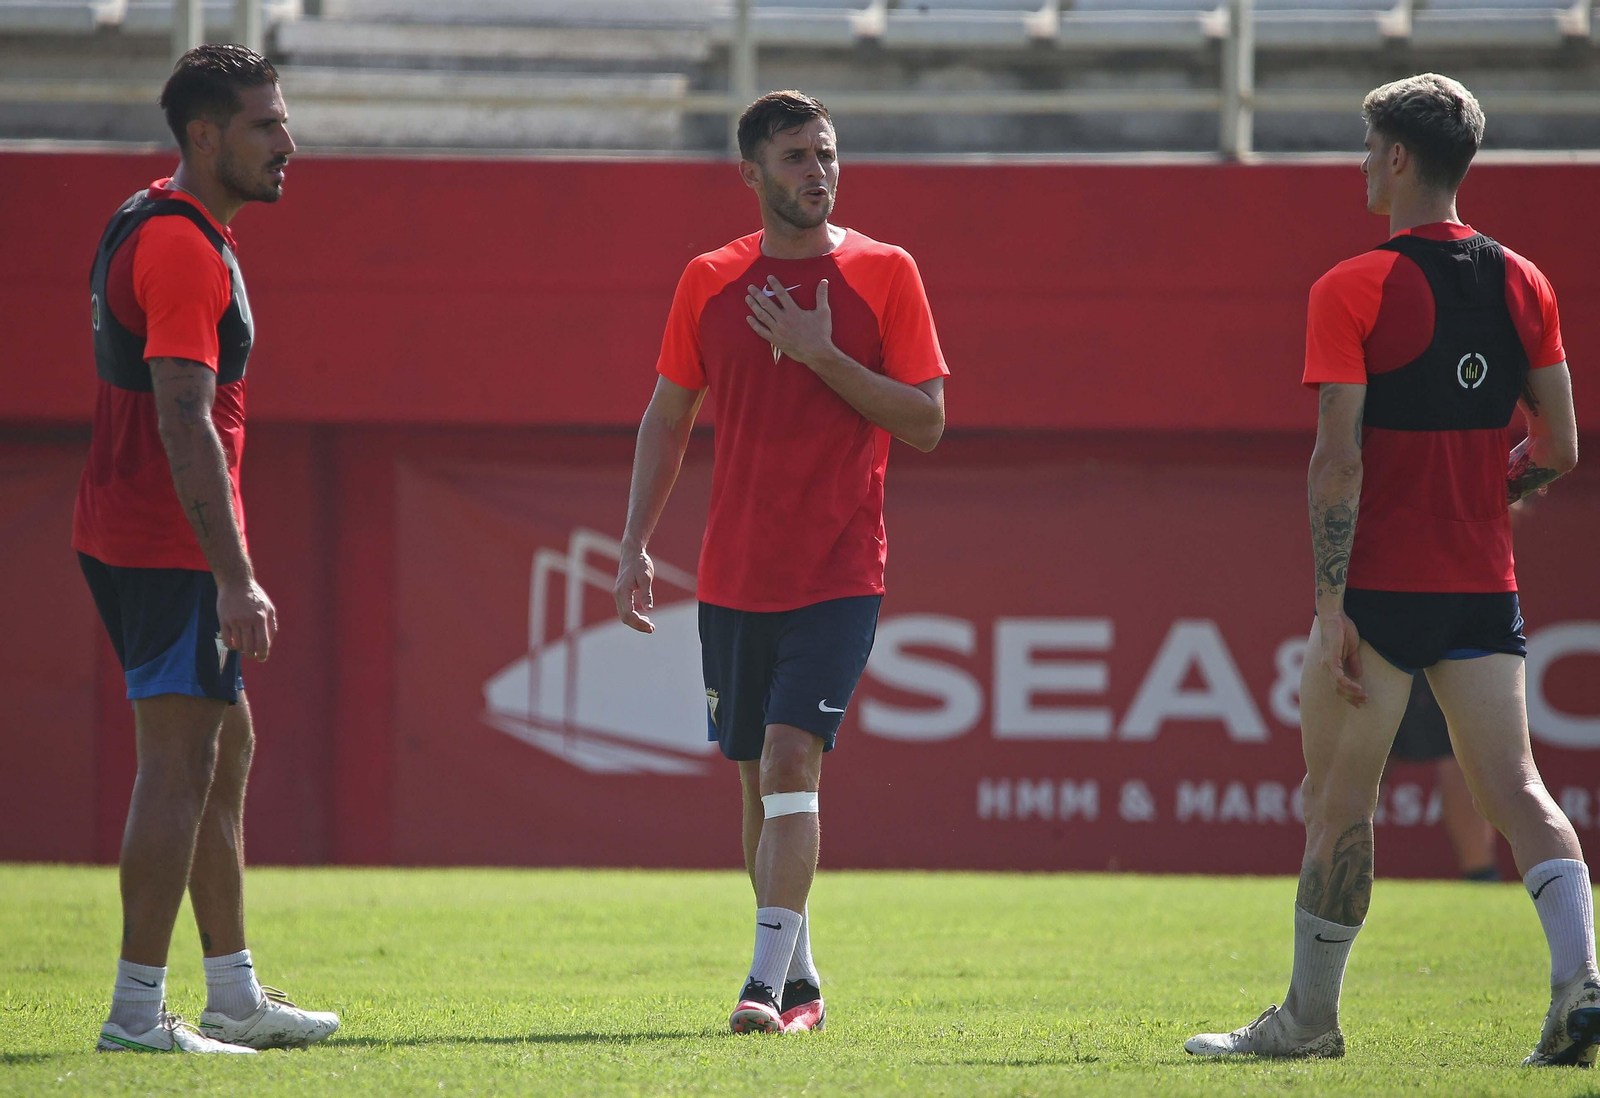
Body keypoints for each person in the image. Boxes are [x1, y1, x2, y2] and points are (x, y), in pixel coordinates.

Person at [1185, 73, 1596, 1065]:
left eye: (1369, 148)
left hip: (1377, 589)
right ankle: (1579, 983)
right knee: (1521, 794)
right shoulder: (1524, 281)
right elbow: (1558, 449)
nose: (1363, 165)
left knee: (1337, 804)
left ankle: (1308, 1021)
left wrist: (1330, 607)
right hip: (1480, 588)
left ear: (1399, 157)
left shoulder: (1352, 285)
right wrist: (1473, 494)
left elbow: (1336, 457)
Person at [612, 90, 948, 1035]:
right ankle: (798, 985)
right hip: (732, 575)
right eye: (797, 157)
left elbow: (925, 422)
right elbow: (668, 416)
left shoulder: (886, 272)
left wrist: (820, 353)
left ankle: (758, 989)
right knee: (759, 778)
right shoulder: (709, 281)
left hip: (841, 571)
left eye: (828, 154)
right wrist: (635, 542)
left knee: (794, 756)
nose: (819, 173)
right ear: (752, 173)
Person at [76, 44, 339, 1053]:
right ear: (204, 136)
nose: (288, 143)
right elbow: (182, 422)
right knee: (179, 767)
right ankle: (138, 1013)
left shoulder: (151, 213)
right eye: (265, 126)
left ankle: (233, 993)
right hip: (167, 545)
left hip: (133, 531)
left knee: (223, 754)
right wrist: (232, 577)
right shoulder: (183, 246)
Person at [1386, 674, 1499, 880]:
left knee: (1459, 753)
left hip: (1447, 657)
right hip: (1377, 655)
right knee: (1363, 757)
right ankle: (1330, 874)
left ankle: (1481, 878)